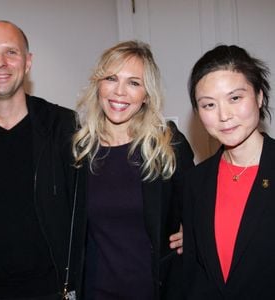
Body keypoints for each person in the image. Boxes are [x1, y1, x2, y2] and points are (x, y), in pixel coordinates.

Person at [72, 40, 194, 300]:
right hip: (95, 292)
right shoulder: (78, 151)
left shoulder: (168, 145)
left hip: (157, 291)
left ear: (146, 95)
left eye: (134, 83)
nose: (120, 92)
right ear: (98, 85)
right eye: (111, 78)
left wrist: (194, 234)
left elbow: (199, 204)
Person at [0, 20, 77, 299]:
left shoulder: (65, 127)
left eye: (11, 52)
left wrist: (178, 221)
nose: (0, 62)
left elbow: (102, 199)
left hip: (52, 291)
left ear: (28, 62)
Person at [183, 44, 275, 299]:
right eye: (209, 105)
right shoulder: (195, 181)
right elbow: (193, 271)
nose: (224, 115)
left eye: (235, 98)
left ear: (258, 96)